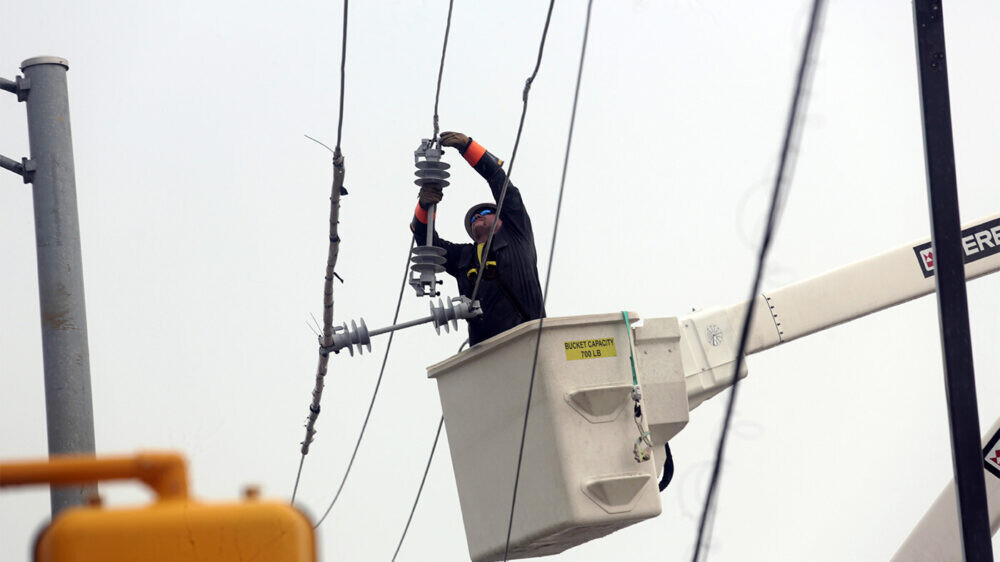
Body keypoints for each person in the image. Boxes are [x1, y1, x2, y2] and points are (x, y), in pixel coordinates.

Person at [410, 131, 544, 346]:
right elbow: (425, 241)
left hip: (528, 338)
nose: (476, 218)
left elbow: (501, 183)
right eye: (473, 218)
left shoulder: (517, 234)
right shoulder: (463, 256)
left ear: (501, 218)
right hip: (485, 351)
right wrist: (424, 205)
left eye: (484, 214)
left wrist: (468, 147)